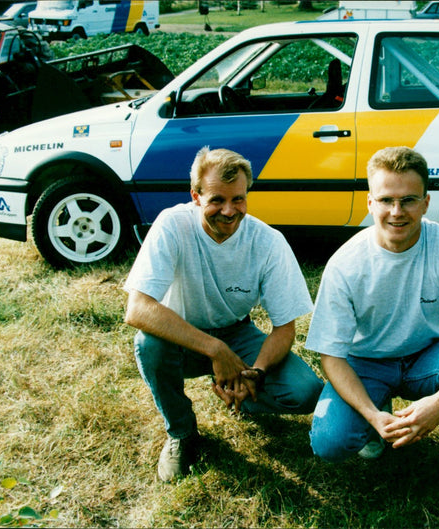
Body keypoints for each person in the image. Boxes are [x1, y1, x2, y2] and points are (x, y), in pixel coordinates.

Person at [306, 146, 439, 498]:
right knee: (329, 443)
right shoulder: (345, 263)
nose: (396, 212)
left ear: (427, 202)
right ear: (370, 203)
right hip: (365, 362)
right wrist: (370, 415)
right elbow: (331, 356)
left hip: (425, 357)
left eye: (409, 200)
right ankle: (376, 415)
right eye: (386, 200)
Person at [124, 146, 324, 482]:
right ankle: (182, 434)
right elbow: (138, 308)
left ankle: (242, 397)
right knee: (149, 345)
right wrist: (215, 350)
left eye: (238, 199)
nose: (229, 211)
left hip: (237, 332)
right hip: (180, 334)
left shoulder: (268, 241)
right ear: (196, 196)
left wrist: (255, 373)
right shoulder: (172, 225)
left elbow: (284, 329)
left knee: (305, 391)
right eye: (217, 199)